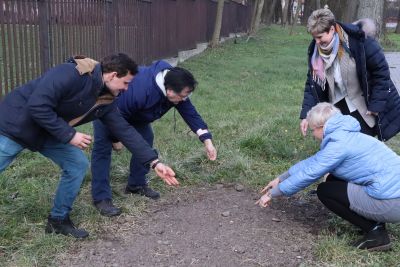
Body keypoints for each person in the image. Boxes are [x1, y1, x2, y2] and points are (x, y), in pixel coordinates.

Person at [0, 54, 178, 239]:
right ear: (112, 75)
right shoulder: (70, 74)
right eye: (125, 83)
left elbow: (125, 131)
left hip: (47, 131)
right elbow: (37, 106)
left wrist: (154, 162)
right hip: (16, 125)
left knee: (77, 164)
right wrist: (70, 135)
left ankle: (58, 221)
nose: (126, 89)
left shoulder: (105, 100)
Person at [257, 102, 400, 251]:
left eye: (313, 130)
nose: (313, 134)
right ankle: (373, 221)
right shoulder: (346, 134)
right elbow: (314, 162)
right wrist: (281, 178)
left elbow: (310, 173)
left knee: (326, 191)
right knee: (333, 179)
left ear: (322, 127)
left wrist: (273, 193)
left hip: (391, 202)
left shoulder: (338, 145)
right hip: (392, 193)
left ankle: (377, 233)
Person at [91, 60, 217, 217]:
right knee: (102, 150)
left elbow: (190, 113)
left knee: (146, 139)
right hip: (110, 109)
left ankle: (136, 184)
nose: (184, 99)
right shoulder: (140, 91)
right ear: (170, 91)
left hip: (138, 115)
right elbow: (117, 120)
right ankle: (101, 198)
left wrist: (207, 140)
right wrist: (115, 139)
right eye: (183, 96)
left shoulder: (174, 84)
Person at [299, 8, 400, 141]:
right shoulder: (315, 53)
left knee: (362, 145)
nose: (316, 42)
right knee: (341, 144)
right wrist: (307, 115)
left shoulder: (359, 41)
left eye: (319, 37)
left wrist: (376, 105)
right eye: (314, 37)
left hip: (362, 104)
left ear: (332, 30)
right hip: (337, 106)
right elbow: (311, 85)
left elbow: (381, 73)